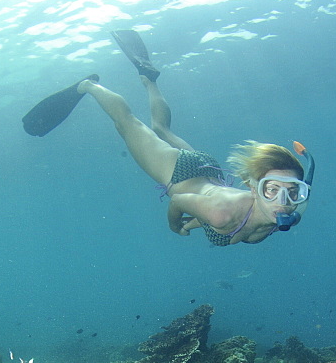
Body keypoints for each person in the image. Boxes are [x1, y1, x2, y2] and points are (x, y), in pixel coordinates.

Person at [22, 30, 315, 246]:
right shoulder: (221, 214)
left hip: (209, 172)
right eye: (271, 189)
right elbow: (179, 201)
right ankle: (88, 85)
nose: (283, 201)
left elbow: (225, 216)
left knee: (162, 130)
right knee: (128, 124)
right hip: (180, 174)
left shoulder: (286, 215)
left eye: (292, 192)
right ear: (253, 188)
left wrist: (195, 222)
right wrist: (176, 226)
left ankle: (148, 77)